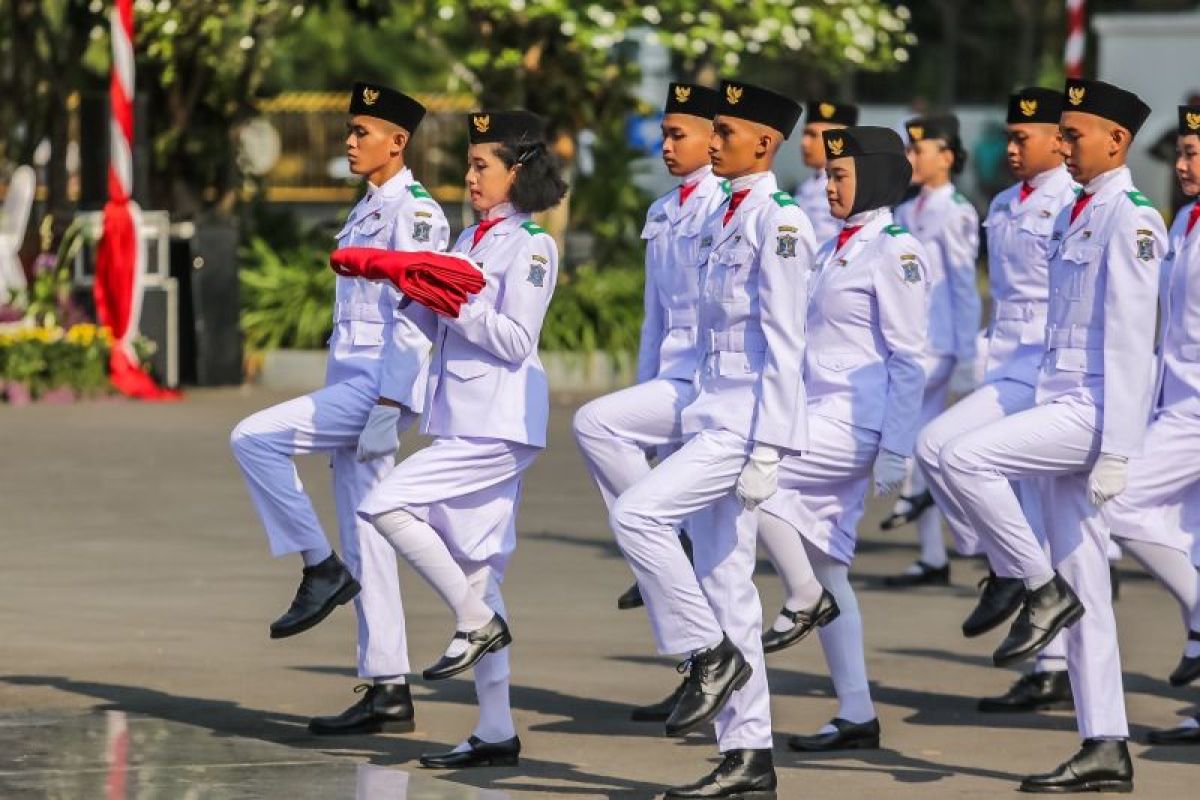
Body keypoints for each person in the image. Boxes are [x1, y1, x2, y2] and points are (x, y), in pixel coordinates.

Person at [939, 78, 1163, 792]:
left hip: (1091, 412)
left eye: (1073, 135)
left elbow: (1132, 343)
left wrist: (1120, 449)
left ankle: (1031, 585)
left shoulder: (1129, 218)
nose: (1061, 146)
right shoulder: (1080, 210)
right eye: (1059, 136)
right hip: (1059, 397)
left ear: (1116, 141)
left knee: (962, 456)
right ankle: (1105, 744)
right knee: (1086, 580)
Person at [610, 80, 813, 799]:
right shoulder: (715, 215)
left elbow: (789, 345)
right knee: (729, 586)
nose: (713, 141)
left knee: (636, 514)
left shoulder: (779, 222)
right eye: (714, 129)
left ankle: (705, 653)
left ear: (765, 144)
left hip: (745, 424)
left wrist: (771, 449)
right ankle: (749, 757)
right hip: (708, 413)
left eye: (726, 131)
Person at [229, 83, 448, 735]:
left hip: (374, 386)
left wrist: (389, 401)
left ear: (397, 142)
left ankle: (318, 568)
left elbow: (418, 312)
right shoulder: (367, 208)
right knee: (368, 536)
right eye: (350, 131)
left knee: (253, 438)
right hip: (351, 377)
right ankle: (387, 687)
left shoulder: (415, 213)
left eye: (361, 132)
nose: (349, 141)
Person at [357, 109, 567, 769]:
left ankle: (471, 619)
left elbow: (513, 339)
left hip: (499, 421)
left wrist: (456, 301)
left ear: (519, 171)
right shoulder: (470, 240)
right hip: (461, 416)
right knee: (480, 566)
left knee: (385, 504)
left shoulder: (531, 244)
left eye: (483, 166)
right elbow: (426, 322)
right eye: (470, 165)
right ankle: (496, 728)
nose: (470, 177)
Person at [757, 126, 929, 753]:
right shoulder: (837, 247)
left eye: (840, 175)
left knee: (751, 483)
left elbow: (911, 359)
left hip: (856, 422)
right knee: (829, 565)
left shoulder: (896, 251)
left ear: (877, 178)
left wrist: (897, 448)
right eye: (828, 176)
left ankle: (800, 597)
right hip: (816, 413)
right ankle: (857, 712)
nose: (828, 186)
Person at [915, 87, 1079, 713]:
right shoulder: (1005, 204)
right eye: (1008, 138)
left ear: (1058, 140)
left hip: (1052, 370)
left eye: (1021, 139)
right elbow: (1001, 297)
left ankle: (1052, 661)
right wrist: (977, 355)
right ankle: (1011, 571)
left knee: (1044, 515)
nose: (1009, 150)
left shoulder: (1073, 203)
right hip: (1007, 360)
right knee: (934, 447)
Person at [573, 83, 727, 622]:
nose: (665, 145)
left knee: (723, 560)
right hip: (670, 377)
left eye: (677, 134)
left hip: (711, 382)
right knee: (608, 430)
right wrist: (644, 384)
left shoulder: (725, 206)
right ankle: (691, 664)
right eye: (663, 134)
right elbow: (653, 317)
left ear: (714, 138)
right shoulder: (663, 210)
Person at [1106, 104, 1200, 746]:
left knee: (1119, 498)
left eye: (1195, 153)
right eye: (1182, 154)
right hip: (1174, 397)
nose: (1184, 165)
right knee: (1191, 538)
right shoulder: (1188, 218)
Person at [885, 113, 981, 587]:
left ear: (946, 155)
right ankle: (932, 553)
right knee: (916, 436)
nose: (910, 158)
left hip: (939, 345)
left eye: (918, 150)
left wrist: (966, 355)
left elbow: (964, 287)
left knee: (906, 429)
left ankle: (936, 508)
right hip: (913, 341)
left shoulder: (957, 212)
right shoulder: (906, 212)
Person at [793, 100, 860, 247]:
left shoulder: (853, 186)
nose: (804, 143)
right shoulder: (806, 186)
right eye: (804, 134)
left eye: (812, 135)